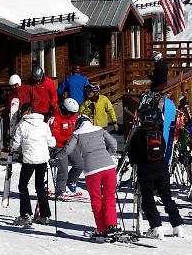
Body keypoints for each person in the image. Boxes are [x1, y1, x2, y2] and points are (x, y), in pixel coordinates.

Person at [127, 103, 184, 238]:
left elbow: (132, 155)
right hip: (162, 168)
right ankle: (178, 226)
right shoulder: (158, 133)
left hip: (146, 169)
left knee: (147, 199)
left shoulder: (138, 135)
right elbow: (163, 150)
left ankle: (156, 227)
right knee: (166, 198)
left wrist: (136, 161)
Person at [66, 113, 121, 240]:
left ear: (78, 124)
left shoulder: (77, 133)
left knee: (96, 199)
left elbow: (68, 150)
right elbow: (113, 144)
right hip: (109, 168)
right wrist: (108, 154)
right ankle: (112, 225)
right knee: (109, 197)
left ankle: (101, 229)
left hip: (92, 170)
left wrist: (57, 155)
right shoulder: (100, 129)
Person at [9, 103, 56, 227]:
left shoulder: (22, 125)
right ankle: (45, 215)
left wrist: (12, 147)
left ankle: (25, 214)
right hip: (42, 159)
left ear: (24, 113)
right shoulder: (44, 124)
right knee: (40, 186)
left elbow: (16, 144)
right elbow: (51, 142)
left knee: (23, 185)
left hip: (29, 159)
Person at [51, 97, 83, 199]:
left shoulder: (74, 116)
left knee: (79, 165)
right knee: (63, 169)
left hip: (72, 144)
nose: (72, 115)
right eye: (70, 113)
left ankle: (71, 181)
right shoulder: (55, 118)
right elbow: (54, 133)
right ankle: (60, 191)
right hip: (60, 147)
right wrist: (65, 140)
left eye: (74, 113)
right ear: (64, 109)